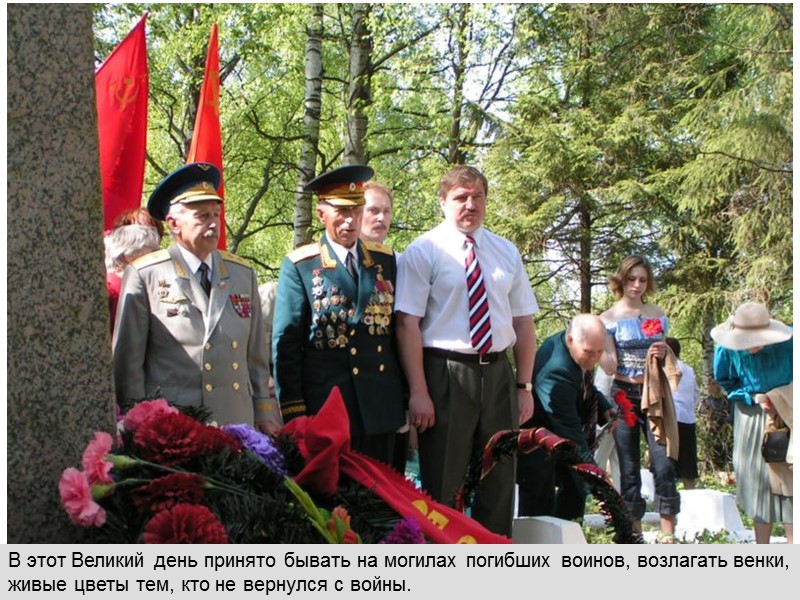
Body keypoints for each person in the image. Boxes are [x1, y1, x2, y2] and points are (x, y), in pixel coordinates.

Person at [395, 165, 538, 536]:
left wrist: (524, 387)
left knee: (500, 478)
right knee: (443, 482)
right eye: (460, 197)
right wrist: (419, 390)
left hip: (498, 374)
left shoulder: (505, 252)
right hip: (445, 372)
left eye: (477, 197)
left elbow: (524, 323)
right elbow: (407, 323)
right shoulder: (423, 251)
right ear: (443, 202)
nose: (470, 205)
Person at [113, 162, 279, 434]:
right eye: (202, 216)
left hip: (236, 422)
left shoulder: (241, 273)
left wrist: (263, 410)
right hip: (174, 427)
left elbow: (256, 356)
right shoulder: (146, 274)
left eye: (216, 213)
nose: (213, 223)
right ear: (174, 224)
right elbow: (128, 364)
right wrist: (136, 423)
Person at [272, 165, 406, 464]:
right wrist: (294, 411)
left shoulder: (385, 261)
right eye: (341, 212)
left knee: (384, 502)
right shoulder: (301, 266)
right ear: (322, 214)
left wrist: (406, 401)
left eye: (356, 212)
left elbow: (398, 331)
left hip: (380, 405)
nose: (350, 221)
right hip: (327, 407)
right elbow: (287, 343)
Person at [599, 255, 680, 537]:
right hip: (624, 394)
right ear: (621, 280)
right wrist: (599, 349)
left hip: (655, 392)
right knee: (629, 465)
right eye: (631, 279)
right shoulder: (608, 319)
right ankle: (634, 535)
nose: (636, 285)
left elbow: (665, 355)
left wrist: (662, 351)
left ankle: (669, 535)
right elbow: (608, 365)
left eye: (642, 280)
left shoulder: (656, 313)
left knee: (664, 461)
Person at [517, 314, 616, 520]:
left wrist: (604, 407)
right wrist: (595, 474)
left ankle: (569, 540)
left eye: (599, 352)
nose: (594, 358)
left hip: (557, 437)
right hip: (537, 443)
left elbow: (581, 383)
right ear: (571, 339)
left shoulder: (572, 346)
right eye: (589, 353)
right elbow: (571, 432)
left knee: (575, 489)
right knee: (540, 507)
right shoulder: (556, 371)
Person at [711, 301, 793, 544]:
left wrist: (782, 397)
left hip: (788, 414)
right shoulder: (726, 348)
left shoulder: (790, 343)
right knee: (758, 482)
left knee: (790, 479)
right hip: (751, 417)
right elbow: (726, 381)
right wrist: (751, 397)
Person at [359, 181, 413, 475]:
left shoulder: (401, 264)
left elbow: (406, 333)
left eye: (386, 211)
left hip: (390, 399)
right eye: (373, 211)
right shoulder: (324, 263)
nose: (381, 218)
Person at [104, 224, 160, 332]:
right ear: (130, 255)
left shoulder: (142, 281)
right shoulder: (110, 288)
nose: (157, 255)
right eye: (153, 251)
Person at [664, 337, 700, 489]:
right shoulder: (689, 370)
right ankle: (691, 498)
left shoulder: (662, 370)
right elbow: (696, 396)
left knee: (666, 463)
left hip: (669, 420)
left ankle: (666, 498)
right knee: (688, 466)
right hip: (688, 419)